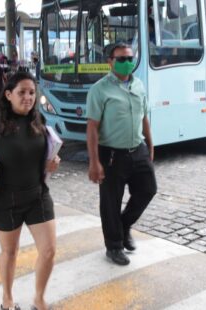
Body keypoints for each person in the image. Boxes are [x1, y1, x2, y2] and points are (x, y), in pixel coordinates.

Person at [0, 72, 60, 310]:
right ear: (8, 95)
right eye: (22, 92)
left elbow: (44, 151)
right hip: (4, 200)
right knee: (10, 252)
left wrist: (53, 161)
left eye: (32, 92)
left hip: (37, 194)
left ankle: (39, 299)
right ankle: (7, 299)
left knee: (48, 251)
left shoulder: (37, 118)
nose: (28, 97)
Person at [86, 43, 156, 266]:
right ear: (110, 61)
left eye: (130, 58)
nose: (128, 63)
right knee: (110, 202)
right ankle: (114, 246)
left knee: (148, 189)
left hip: (138, 149)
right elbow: (92, 127)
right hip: (111, 155)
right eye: (122, 59)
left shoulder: (139, 85)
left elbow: (145, 117)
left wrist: (151, 145)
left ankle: (124, 226)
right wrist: (94, 161)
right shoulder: (100, 89)